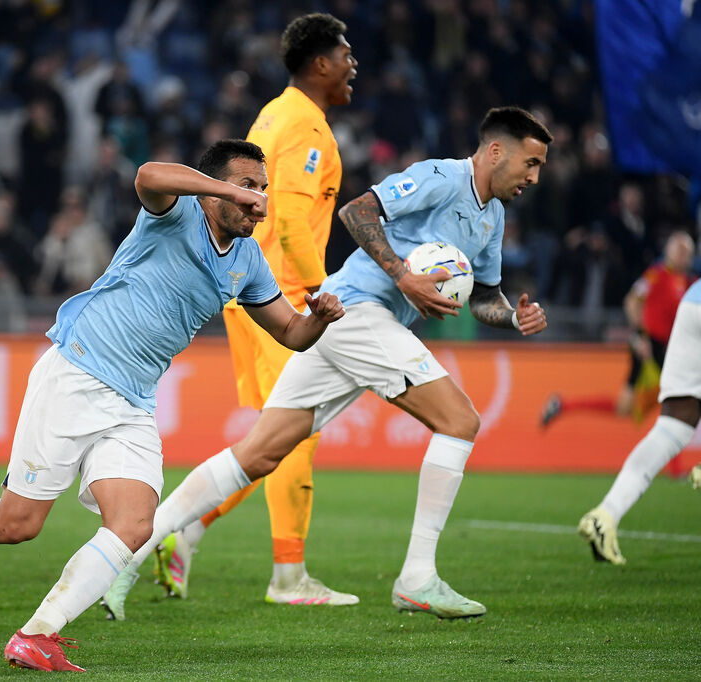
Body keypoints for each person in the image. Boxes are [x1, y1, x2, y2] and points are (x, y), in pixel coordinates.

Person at [0, 139, 345, 672]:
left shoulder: (248, 261)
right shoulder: (176, 213)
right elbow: (148, 175)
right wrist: (224, 188)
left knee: (135, 524)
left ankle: (37, 634)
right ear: (214, 191)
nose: (258, 200)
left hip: (134, 403)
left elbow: (290, 331)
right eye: (246, 187)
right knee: (16, 525)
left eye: (262, 188)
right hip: (77, 372)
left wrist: (319, 319)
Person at [104, 106, 552, 620]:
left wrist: (513, 317)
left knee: (258, 453)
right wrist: (404, 277)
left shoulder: (492, 217)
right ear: (496, 151)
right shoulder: (441, 177)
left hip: (342, 321)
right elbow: (357, 212)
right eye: (531, 163)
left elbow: (484, 296)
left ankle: (128, 556)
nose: (534, 177)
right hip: (358, 311)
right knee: (460, 421)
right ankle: (417, 578)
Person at [151, 12, 359, 609]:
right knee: (295, 431)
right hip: (282, 298)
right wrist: (317, 293)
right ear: (320, 63)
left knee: (275, 436)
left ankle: (185, 526)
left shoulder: (276, 114)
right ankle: (287, 576)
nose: (353, 66)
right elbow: (287, 219)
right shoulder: (304, 125)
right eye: (346, 56)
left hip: (255, 289)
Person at [578, 279, 701, 564]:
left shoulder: (672, 277)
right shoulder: (658, 275)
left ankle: (605, 516)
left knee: (674, 424)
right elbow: (634, 299)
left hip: (691, 305)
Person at [541, 231, 696, 427]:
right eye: (679, 250)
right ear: (668, 251)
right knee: (676, 399)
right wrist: (640, 336)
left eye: (686, 251)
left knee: (627, 407)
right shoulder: (656, 275)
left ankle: (564, 405)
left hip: (667, 348)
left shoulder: (688, 282)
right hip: (650, 347)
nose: (683, 255)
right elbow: (632, 301)